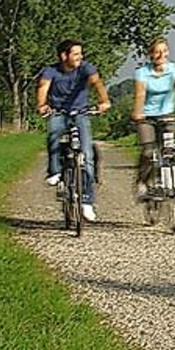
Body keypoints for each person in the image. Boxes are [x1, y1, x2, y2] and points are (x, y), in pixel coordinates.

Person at [36, 39, 112, 222]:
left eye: (80, 53)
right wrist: (42, 105)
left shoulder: (86, 68)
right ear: (64, 56)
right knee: (54, 136)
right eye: (76, 53)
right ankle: (55, 171)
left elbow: (97, 83)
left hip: (80, 113)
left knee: (87, 154)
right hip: (58, 111)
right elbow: (43, 87)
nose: (80, 57)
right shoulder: (51, 71)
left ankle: (87, 201)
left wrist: (104, 101)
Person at [131, 36, 175, 198]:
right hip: (147, 117)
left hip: (167, 115)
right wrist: (138, 112)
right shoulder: (142, 73)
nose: (161, 55)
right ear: (150, 54)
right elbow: (140, 94)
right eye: (157, 52)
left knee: (171, 150)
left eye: (164, 51)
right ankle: (143, 181)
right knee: (148, 152)